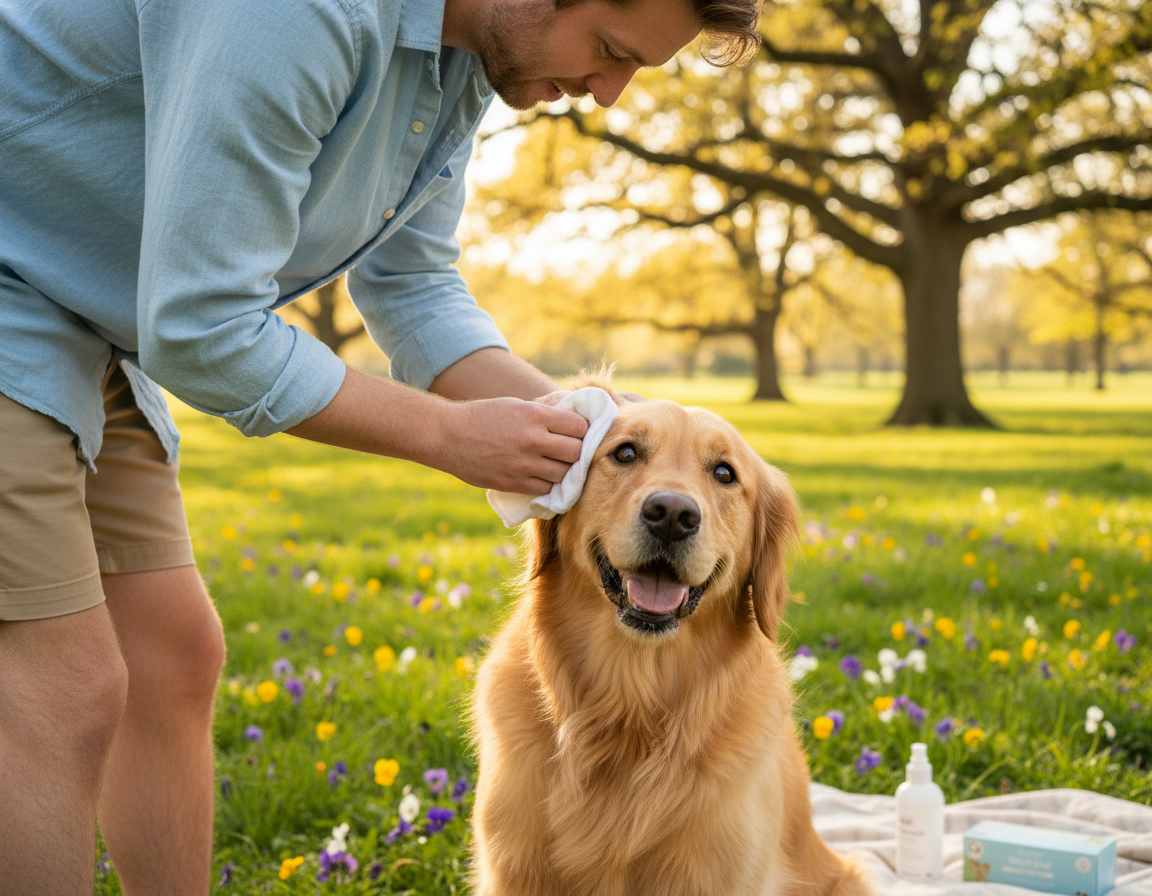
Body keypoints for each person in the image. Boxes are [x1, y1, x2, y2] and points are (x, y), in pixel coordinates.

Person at [0, 0, 761, 891]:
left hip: (83, 310)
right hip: (27, 287)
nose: (608, 95)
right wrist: (445, 434)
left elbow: (413, 282)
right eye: (608, 51)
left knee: (171, 652)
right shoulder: (299, 13)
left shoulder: (468, 53)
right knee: (65, 683)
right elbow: (204, 329)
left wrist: (602, 435)